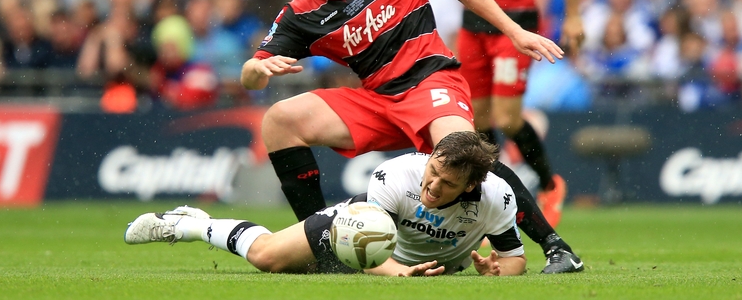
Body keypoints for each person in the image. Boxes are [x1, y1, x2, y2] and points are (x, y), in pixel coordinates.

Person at [239, 0, 581, 273]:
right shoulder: (302, 13)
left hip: (431, 80)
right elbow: (252, 72)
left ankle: (557, 248)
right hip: (377, 99)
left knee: (466, 154)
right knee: (279, 119)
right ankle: (324, 252)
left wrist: (514, 30)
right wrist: (256, 68)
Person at [124, 131, 530, 276]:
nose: (433, 186)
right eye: (433, 171)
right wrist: (399, 275)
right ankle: (190, 224)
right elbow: (368, 246)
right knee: (267, 257)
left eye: (447, 184)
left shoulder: (497, 196)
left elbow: (514, 258)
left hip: (409, 262)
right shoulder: (398, 174)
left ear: (471, 185)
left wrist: (498, 271)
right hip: (356, 230)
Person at [434, 0, 585, 227]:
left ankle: (550, 184)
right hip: (474, 21)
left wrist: (575, 12)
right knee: (479, 119)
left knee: (507, 116)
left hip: (516, 25)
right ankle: (496, 198)